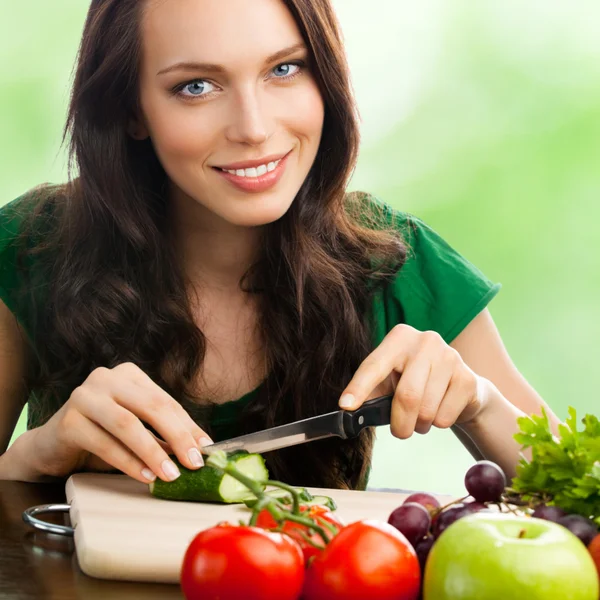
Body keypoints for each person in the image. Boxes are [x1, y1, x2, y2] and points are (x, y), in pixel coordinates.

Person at [0, 0, 560, 491]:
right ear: (131, 111)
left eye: (285, 69)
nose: (253, 127)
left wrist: (481, 406)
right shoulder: (30, 246)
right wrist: (34, 457)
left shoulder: (395, 260)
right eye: (196, 86)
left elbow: (585, 494)